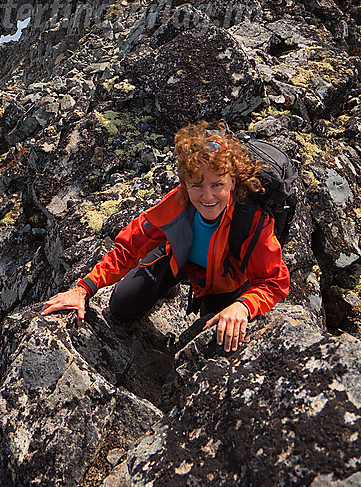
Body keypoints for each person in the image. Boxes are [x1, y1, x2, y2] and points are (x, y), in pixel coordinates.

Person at [41, 120, 290, 352]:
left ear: (232, 183)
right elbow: (130, 245)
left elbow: (274, 281)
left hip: (225, 281)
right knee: (121, 306)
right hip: (177, 258)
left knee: (215, 333)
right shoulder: (178, 202)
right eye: (197, 186)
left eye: (217, 185)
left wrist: (243, 306)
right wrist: (83, 288)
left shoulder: (252, 220)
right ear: (184, 185)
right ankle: (168, 287)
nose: (208, 196)